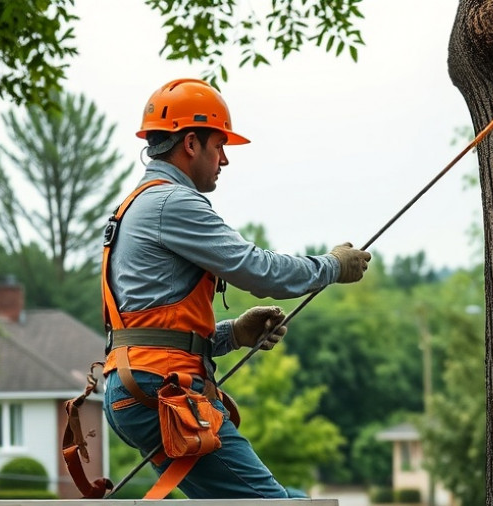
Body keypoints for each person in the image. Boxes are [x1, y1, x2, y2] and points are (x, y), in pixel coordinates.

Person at [101, 78, 371, 498]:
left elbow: (151, 322)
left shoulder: (135, 205)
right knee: (274, 503)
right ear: (191, 143)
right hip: (160, 388)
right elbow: (259, 270)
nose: (224, 160)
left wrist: (232, 334)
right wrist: (332, 266)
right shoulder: (173, 202)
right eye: (219, 145)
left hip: (137, 389)